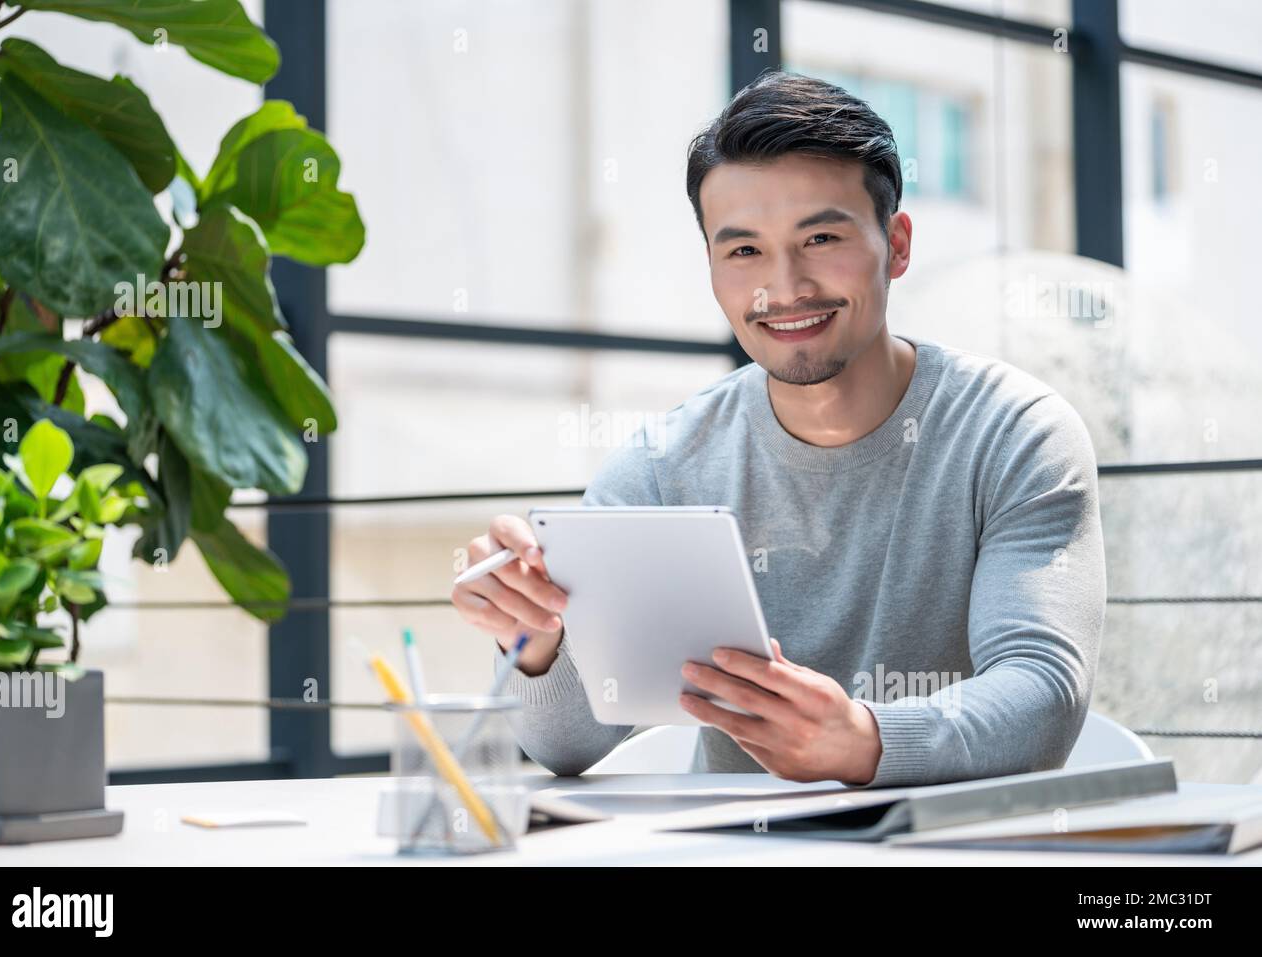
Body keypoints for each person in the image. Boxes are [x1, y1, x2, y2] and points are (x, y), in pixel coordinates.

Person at [449, 70, 1105, 787]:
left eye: (820, 237)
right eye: (744, 251)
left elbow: (1043, 694)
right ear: (712, 268)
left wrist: (864, 741)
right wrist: (537, 639)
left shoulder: (1017, 435)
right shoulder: (662, 465)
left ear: (897, 244)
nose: (783, 287)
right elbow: (567, 745)